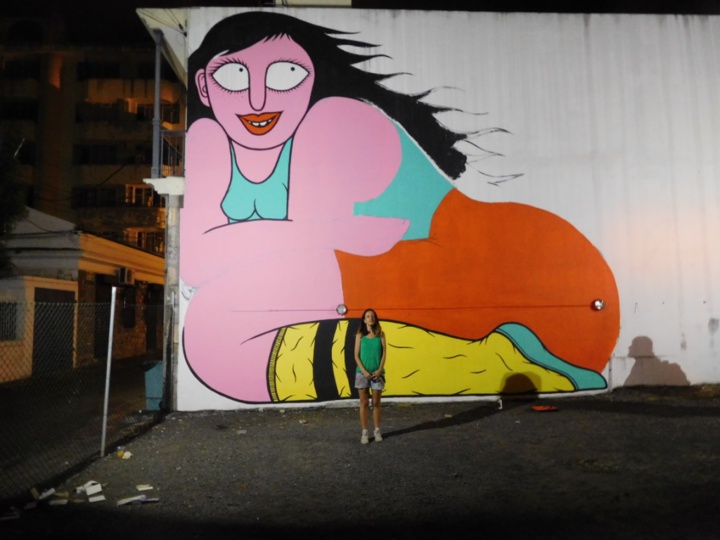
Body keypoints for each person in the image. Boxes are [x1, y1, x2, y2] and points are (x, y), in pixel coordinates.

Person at [354, 308, 387, 444]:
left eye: (373, 316)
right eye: (368, 316)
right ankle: (365, 432)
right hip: (362, 374)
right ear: (364, 320)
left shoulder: (381, 335)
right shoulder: (360, 335)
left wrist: (380, 370)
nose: (371, 318)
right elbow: (356, 355)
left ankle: (377, 430)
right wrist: (364, 371)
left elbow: (384, 353)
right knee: (364, 403)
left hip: (377, 374)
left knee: (376, 403)